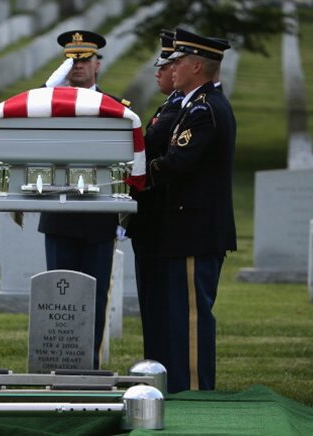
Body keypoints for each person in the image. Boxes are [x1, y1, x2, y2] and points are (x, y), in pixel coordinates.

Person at [136, 27, 236, 393]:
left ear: (196, 66)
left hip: (195, 231)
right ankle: (178, 387)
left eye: (178, 61)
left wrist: (133, 178)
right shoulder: (193, 105)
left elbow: (177, 163)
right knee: (176, 317)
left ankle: (195, 391)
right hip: (182, 229)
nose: (171, 67)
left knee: (191, 318)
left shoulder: (205, 110)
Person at [37, 30, 130, 369]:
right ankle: (57, 365)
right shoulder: (48, 104)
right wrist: (51, 92)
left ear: (97, 65)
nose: (77, 66)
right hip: (59, 214)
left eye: (84, 59)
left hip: (98, 216)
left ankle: (88, 366)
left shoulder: (115, 107)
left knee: (94, 297)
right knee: (58, 298)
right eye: (71, 60)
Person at [126, 29, 184, 363]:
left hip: (159, 220)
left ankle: (161, 364)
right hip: (150, 221)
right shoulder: (171, 106)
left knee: (159, 300)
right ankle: (156, 362)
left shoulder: (181, 109)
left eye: (166, 66)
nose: (160, 72)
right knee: (152, 300)